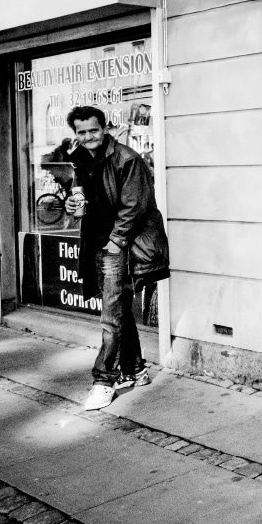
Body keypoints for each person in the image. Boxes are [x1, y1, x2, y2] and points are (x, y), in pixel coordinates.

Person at [63, 106, 170, 411]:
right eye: (81, 132)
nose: (88, 137)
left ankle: (104, 380)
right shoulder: (81, 159)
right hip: (95, 242)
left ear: (105, 127)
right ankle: (136, 369)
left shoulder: (126, 158)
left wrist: (114, 242)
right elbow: (82, 198)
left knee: (110, 315)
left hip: (116, 245)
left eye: (93, 130)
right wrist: (73, 206)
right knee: (119, 307)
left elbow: (135, 206)